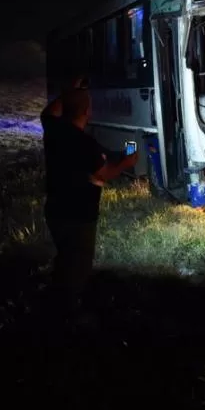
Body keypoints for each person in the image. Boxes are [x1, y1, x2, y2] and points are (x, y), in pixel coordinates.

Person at [40, 76, 138, 319]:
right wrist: (127, 162)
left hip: (55, 210)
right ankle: (66, 316)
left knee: (65, 257)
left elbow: (47, 113)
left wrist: (69, 94)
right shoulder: (85, 144)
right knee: (78, 266)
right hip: (79, 214)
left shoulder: (55, 131)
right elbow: (104, 175)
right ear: (86, 111)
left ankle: (56, 301)